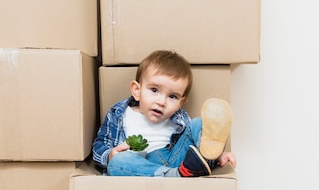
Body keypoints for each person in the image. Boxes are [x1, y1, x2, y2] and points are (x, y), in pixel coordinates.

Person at [92, 50, 236, 177]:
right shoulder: (119, 114)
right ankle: (171, 175)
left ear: (181, 102)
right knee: (118, 162)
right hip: (140, 167)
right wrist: (110, 155)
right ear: (137, 90)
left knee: (199, 124)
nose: (161, 102)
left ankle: (208, 154)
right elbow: (99, 145)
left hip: (174, 160)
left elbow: (190, 145)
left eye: (172, 96)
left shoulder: (180, 118)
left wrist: (217, 157)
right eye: (154, 90)